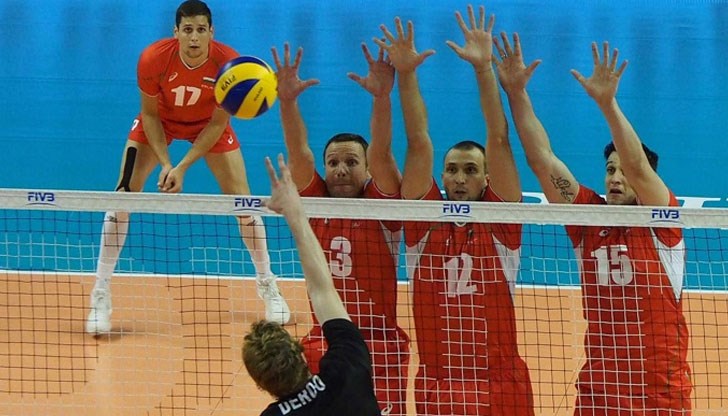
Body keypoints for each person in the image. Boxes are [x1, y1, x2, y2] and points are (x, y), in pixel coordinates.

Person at [495, 33, 692, 415]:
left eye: (624, 172)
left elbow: (637, 165)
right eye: (609, 170)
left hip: (660, 393)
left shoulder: (662, 221)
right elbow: (542, 160)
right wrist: (516, 93)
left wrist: (608, 104)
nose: (616, 178)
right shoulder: (588, 217)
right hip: (599, 391)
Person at [85, 0, 290, 334]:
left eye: (201, 30)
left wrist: (182, 167)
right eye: (188, 30)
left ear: (212, 31)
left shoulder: (229, 64)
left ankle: (268, 284)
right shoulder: (153, 59)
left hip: (206, 126)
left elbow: (218, 123)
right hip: (161, 123)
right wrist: (166, 163)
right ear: (176, 32)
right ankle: (100, 292)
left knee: (245, 204)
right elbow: (149, 114)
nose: (194, 38)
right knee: (122, 197)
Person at [376, 6, 534, 415]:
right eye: (452, 170)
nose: (459, 178)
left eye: (470, 170)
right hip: (439, 381)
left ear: (486, 179)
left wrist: (483, 69)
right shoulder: (423, 223)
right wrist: (406, 75)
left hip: (499, 383)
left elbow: (499, 139)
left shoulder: (502, 223)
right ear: (442, 176)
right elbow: (418, 141)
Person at [270, 42, 410, 415]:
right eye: (333, 163)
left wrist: (382, 98)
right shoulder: (314, 203)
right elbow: (299, 153)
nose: (341, 170)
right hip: (325, 341)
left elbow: (382, 151)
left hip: (379, 346)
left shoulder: (383, 207)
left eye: (351, 162)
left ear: (367, 169)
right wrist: (287, 102)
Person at [244, 154, 382, 415]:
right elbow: (322, 290)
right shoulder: (347, 365)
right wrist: (295, 215)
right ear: (301, 353)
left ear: (260, 384)